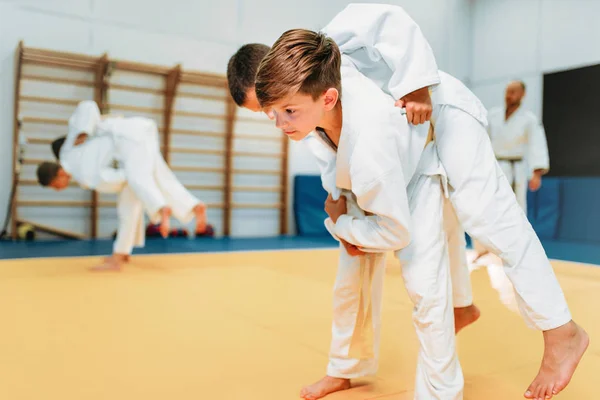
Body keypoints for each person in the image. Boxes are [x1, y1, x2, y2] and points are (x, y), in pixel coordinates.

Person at [256, 28, 463, 399]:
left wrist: (343, 226)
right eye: (274, 112)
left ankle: (443, 394)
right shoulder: (324, 82)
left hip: (417, 174)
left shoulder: (370, 146)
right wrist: (346, 216)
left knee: (426, 292)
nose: (280, 122)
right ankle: (345, 369)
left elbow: (397, 233)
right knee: (348, 286)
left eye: (288, 111)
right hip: (359, 183)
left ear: (328, 99)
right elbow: (331, 155)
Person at [36, 101, 207, 270]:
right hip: (139, 130)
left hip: (130, 138)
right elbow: (87, 108)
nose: (58, 189)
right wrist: (85, 130)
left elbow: (119, 179)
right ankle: (192, 206)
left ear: (58, 174)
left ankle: (161, 209)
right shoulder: (71, 150)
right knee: (157, 179)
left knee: (137, 179)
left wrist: (86, 130)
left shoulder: (78, 168)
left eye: (55, 186)